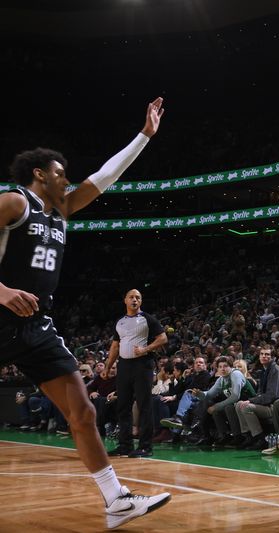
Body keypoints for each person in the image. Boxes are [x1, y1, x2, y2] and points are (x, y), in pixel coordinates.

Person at [0, 97, 170, 528]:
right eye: (60, 173)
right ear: (39, 175)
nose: (68, 178)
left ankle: (115, 500)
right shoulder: (14, 203)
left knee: (83, 411)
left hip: (36, 324)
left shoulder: (62, 210)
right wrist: (0, 290)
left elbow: (104, 177)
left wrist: (144, 137)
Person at [103, 289, 167, 458]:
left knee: (144, 405)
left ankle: (146, 446)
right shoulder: (120, 322)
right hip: (124, 365)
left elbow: (163, 338)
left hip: (143, 365)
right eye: (131, 297)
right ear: (125, 300)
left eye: (138, 297)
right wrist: (108, 367)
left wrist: (146, 349)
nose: (135, 299)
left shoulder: (147, 319)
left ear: (141, 301)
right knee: (123, 405)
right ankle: (125, 445)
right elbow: (115, 346)